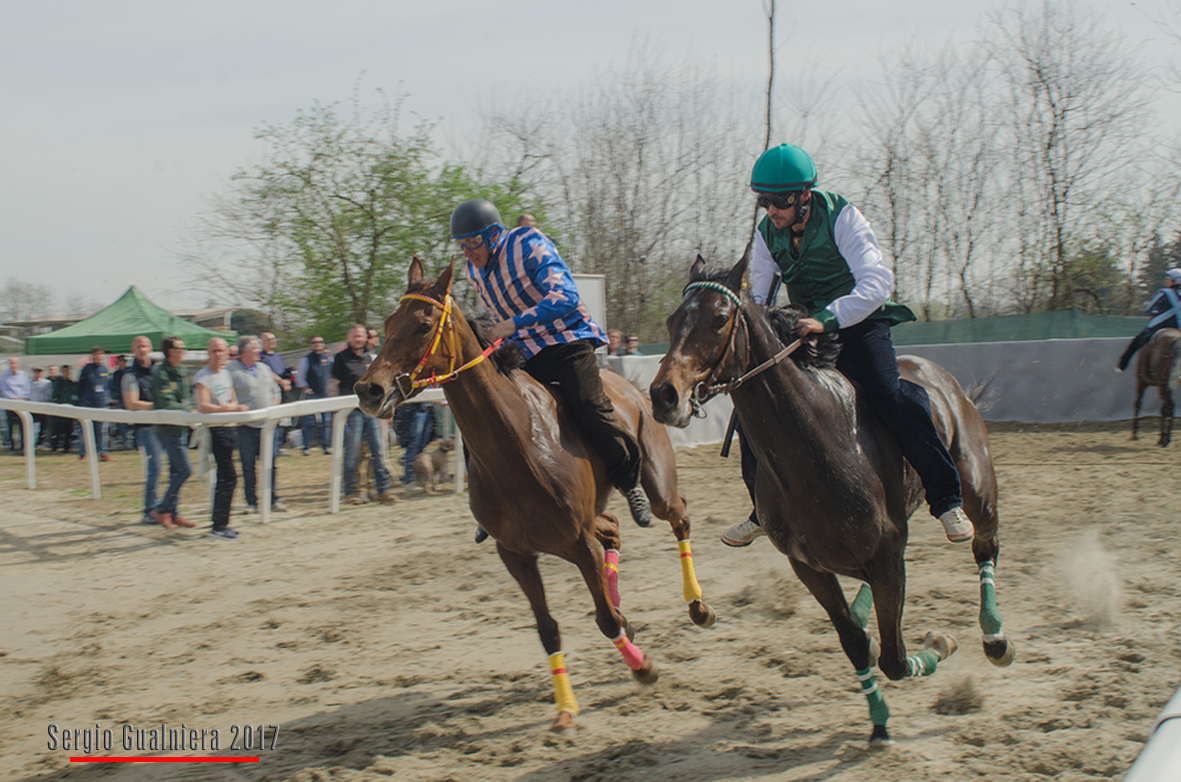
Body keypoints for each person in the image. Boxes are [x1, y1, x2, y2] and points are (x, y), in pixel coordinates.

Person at [722, 143, 974, 548]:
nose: (771, 211)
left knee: (889, 395)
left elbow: (876, 283)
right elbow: (763, 297)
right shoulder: (767, 233)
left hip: (859, 322)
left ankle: (945, 498)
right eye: (764, 201)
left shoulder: (843, 216)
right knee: (760, 405)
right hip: (805, 327)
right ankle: (761, 510)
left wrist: (828, 317)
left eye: (780, 201)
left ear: (804, 196)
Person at [450, 198, 651, 534]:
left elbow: (566, 297)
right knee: (485, 410)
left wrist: (511, 325)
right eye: (461, 245)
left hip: (568, 340)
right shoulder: (473, 271)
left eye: (473, 243)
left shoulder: (529, 242)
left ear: (494, 234)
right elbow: (498, 314)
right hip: (525, 351)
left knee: (590, 406)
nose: (468, 252)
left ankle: (630, 481)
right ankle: (491, 498)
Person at [332, 324, 397, 505]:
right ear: (349, 337)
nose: (358, 339)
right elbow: (333, 385)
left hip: (372, 411)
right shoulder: (340, 358)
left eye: (360, 336)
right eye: (355, 336)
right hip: (351, 412)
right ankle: (351, 492)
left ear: (365, 338)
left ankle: (383, 491)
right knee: (353, 452)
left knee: (378, 450)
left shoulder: (371, 358)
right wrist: (337, 412)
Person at [194, 337, 247, 539]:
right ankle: (218, 525)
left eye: (221, 351)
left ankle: (221, 523)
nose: (218, 354)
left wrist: (233, 408)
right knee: (228, 478)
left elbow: (232, 398)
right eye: (214, 351)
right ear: (209, 353)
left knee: (229, 478)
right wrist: (225, 408)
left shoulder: (225, 374)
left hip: (229, 427)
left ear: (226, 353)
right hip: (216, 430)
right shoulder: (203, 377)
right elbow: (204, 406)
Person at [228, 335, 286, 513]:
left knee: (270, 463)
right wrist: (235, 409)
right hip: (245, 427)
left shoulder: (264, 368)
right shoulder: (231, 371)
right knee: (248, 465)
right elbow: (227, 395)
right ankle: (251, 502)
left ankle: (272, 499)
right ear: (245, 351)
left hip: (268, 426)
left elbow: (275, 389)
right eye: (255, 348)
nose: (259, 351)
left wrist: (275, 402)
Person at [151, 336, 196, 530]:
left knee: (175, 472)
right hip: (168, 429)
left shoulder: (183, 371)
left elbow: (188, 397)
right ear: (171, 351)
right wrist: (187, 409)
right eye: (181, 348)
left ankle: (172, 513)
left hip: (181, 427)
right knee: (186, 470)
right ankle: (161, 509)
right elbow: (166, 402)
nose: (184, 351)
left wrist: (187, 408)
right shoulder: (161, 374)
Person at [122, 336, 163, 525]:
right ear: (133, 349)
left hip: (166, 425)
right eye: (138, 346)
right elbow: (131, 404)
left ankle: (167, 508)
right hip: (147, 428)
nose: (142, 349)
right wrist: (159, 405)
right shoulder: (130, 375)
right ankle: (150, 509)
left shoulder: (159, 369)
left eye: (145, 346)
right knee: (155, 468)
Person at [1117, 268, 1181, 372]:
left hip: (1159, 325)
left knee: (1136, 342)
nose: (1166, 280)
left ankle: (1121, 366)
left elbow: (1149, 308)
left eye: (1168, 278)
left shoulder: (1164, 292)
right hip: (1179, 328)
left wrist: (1153, 313)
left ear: (1175, 281)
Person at [295, 335, 333, 455]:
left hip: (326, 394)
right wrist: (307, 390)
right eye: (314, 342)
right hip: (312, 395)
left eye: (320, 342)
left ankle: (326, 446)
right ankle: (306, 447)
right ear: (311, 345)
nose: (318, 344)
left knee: (326, 421)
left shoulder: (329, 358)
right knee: (309, 422)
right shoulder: (306, 359)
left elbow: (334, 374)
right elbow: (299, 377)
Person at [76, 346, 114, 462]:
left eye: (101, 354)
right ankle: (83, 454)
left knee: (102, 430)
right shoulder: (87, 369)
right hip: (88, 403)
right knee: (86, 429)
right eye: (96, 354)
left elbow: (107, 386)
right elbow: (80, 386)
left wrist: (109, 400)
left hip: (101, 403)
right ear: (92, 356)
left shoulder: (104, 369)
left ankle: (103, 453)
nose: (99, 356)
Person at [1, 357, 31, 450]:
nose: (13, 365)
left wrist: (23, 398)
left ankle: (23, 446)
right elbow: (4, 389)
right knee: (10, 425)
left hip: (22, 402)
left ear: (17, 364)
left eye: (14, 363)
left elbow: (27, 387)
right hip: (10, 403)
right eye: (11, 363)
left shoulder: (23, 375)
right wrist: (12, 399)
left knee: (23, 424)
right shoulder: (5, 376)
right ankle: (12, 446)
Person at [50, 365, 77, 452]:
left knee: (68, 429)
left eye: (68, 371)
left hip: (69, 408)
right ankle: (55, 446)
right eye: (65, 371)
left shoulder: (71, 383)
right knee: (57, 429)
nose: (66, 373)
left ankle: (66, 446)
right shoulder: (58, 382)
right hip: (59, 407)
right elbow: (54, 394)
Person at [109, 354, 131, 450]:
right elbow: (114, 387)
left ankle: (134, 443)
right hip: (120, 400)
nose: (122, 362)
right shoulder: (116, 374)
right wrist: (114, 398)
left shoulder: (129, 372)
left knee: (134, 421)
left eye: (124, 360)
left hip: (130, 399)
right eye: (120, 361)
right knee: (121, 423)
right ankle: (125, 442)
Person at [30, 367, 52, 448]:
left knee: (42, 426)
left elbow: (48, 395)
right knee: (33, 425)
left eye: (39, 372)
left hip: (42, 406)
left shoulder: (46, 383)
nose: (37, 374)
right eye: (35, 372)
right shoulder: (30, 382)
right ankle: (32, 441)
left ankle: (40, 441)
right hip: (32, 406)